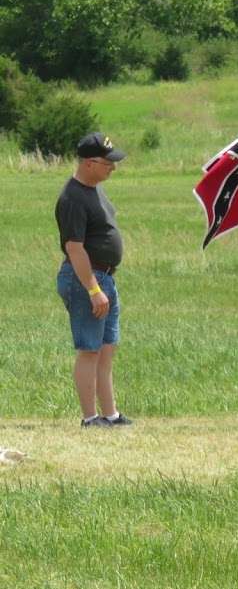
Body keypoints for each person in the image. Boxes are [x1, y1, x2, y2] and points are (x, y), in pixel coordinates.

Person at [55, 132, 132, 428]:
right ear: (89, 163)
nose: (112, 167)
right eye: (107, 162)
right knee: (89, 349)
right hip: (86, 279)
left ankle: (110, 414)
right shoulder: (72, 198)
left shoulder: (95, 188)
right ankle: (90, 418)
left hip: (104, 278)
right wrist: (93, 289)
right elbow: (75, 248)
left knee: (106, 349)